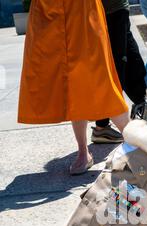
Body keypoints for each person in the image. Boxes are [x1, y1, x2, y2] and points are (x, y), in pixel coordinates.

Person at [18, 0, 129, 175]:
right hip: (49, 11)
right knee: (71, 83)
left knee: (99, 79)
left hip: (82, 11)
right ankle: (83, 152)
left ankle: (136, 145)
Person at [91, 0, 147, 144]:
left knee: (133, 63)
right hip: (107, 12)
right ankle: (101, 126)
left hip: (117, 10)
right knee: (117, 69)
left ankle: (146, 111)